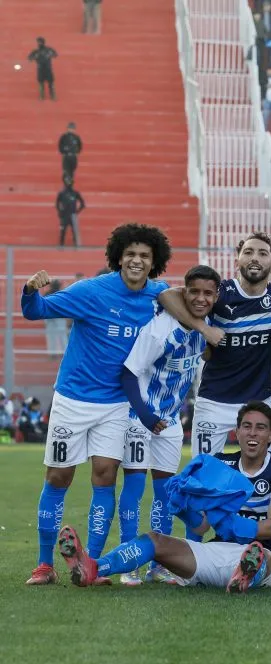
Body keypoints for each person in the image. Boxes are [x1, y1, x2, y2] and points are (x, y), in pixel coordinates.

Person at [21, 223, 173, 585]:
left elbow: (191, 306)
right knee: (59, 476)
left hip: (117, 404)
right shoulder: (92, 290)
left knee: (105, 477)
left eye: (144, 256)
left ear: (154, 263)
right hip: (73, 398)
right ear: (118, 257)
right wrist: (29, 290)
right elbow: (35, 311)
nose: (137, 260)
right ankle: (44, 564)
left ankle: (90, 564)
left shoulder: (160, 296)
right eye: (131, 254)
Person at [158, 231, 271, 582]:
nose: (255, 258)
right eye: (249, 252)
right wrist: (202, 327)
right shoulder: (221, 292)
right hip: (213, 401)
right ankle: (190, 564)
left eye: (263, 253)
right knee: (202, 482)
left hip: (258, 404)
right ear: (237, 259)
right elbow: (167, 294)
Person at [57, 402, 271, 592]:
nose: (252, 433)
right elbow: (201, 528)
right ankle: (93, 568)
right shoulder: (221, 464)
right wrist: (182, 508)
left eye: (260, 428)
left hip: (264, 553)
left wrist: (234, 526)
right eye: (247, 426)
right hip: (217, 552)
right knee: (154, 540)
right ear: (238, 431)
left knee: (259, 554)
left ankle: (250, 572)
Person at [117, 265, 221, 586]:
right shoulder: (161, 329)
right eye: (194, 292)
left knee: (164, 494)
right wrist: (146, 416)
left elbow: (202, 358)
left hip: (171, 422)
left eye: (208, 293)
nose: (201, 298)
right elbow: (128, 373)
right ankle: (127, 560)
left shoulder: (208, 327)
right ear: (184, 292)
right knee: (134, 489)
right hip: (139, 419)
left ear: (216, 296)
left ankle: (157, 563)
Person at [56, 178, 85, 248]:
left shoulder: (75, 193)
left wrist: (77, 212)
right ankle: (61, 245)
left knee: (74, 231)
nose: (68, 184)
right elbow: (57, 203)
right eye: (67, 182)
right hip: (65, 215)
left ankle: (76, 246)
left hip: (73, 215)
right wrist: (60, 212)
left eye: (70, 182)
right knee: (63, 231)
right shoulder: (61, 193)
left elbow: (82, 204)